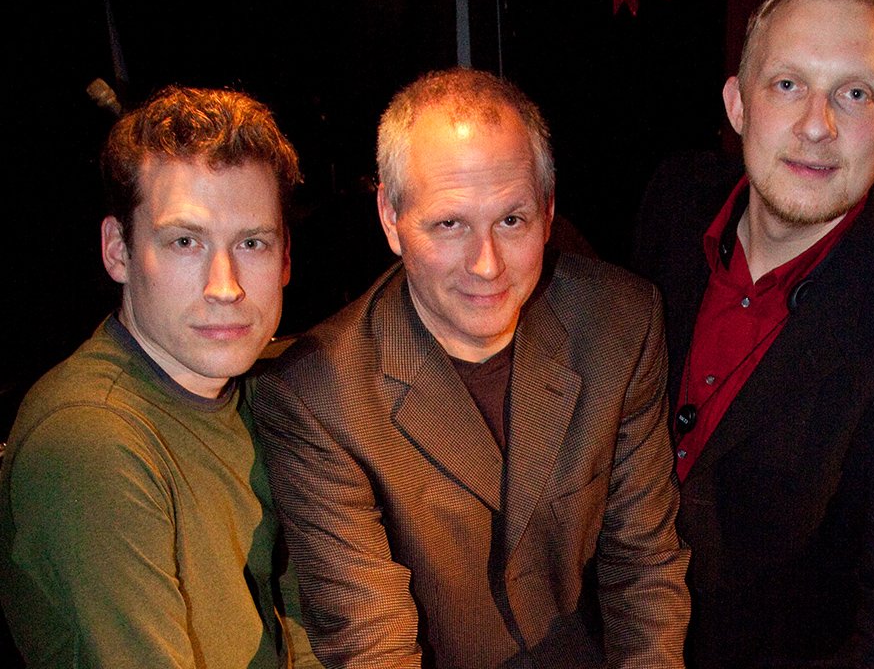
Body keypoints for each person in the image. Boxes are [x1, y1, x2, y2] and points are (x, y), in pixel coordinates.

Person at [253, 67, 689, 668]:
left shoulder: (621, 322)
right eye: (449, 224)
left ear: (548, 210)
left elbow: (643, 567)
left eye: (511, 221)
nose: (487, 265)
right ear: (390, 216)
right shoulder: (317, 394)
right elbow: (371, 642)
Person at [632, 0, 874, 668]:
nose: (817, 126)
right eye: (788, 84)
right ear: (738, 104)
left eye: (854, 94)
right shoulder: (673, 200)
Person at [0, 87, 316, 667]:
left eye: (252, 243)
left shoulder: (255, 392)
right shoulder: (92, 441)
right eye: (185, 242)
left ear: (286, 258)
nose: (225, 286)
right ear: (118, 251)